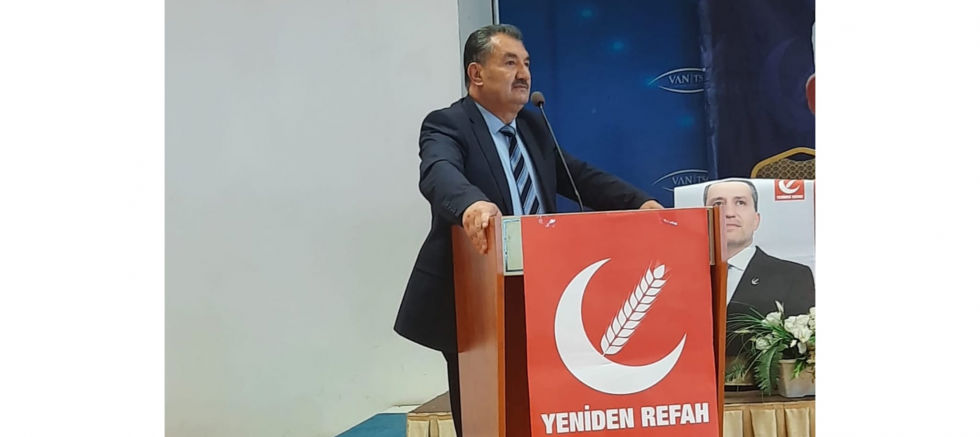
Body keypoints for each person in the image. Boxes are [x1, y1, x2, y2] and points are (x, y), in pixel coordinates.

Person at [393, 24, 663, 436]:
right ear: (476, 74)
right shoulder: (448, 124)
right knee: (487, 415)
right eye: (509, 63)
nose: (524, 74)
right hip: (475, 300)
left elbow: (578, 176)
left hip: (545, 294)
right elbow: (439, 172)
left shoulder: (534, 128)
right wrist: (472, 204)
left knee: (544, 407)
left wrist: (640, 204)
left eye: (527, 64)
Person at [702, 179, 815, 356]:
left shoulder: (793, 277)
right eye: (718, 204)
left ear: (756, 220)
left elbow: (803, 352)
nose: (729, 213)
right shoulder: (681, 277)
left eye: (740, 202)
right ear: (704, 218)